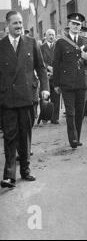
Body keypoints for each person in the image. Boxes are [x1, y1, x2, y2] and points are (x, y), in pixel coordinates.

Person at [0, 11, 49, 188]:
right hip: (7, 99)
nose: (19, 26)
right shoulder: (1, 46)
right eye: (15, 24)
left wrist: (45, 88)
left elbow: (41, 68)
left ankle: (25, 170)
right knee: (10, 136)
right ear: (7, 26)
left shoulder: (31, 43)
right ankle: (9, 175)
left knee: (25, 135)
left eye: (21, 23)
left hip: (27, 97)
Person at [53, 13, 87, 149]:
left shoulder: (85, 42)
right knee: (70, 112)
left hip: (81, 83)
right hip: (67, 83)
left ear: (81, 27)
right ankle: (73, 139)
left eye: (78, 25)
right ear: (68, 25)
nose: (76, 26)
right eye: (74, 24)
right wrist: (56, 84)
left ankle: (77, 137)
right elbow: (56, 63)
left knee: (79, 112)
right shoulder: (61, 42)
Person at [40, 29, 60, 124]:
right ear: (46, 36)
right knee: (45, 97)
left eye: (53, 35)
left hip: (56, 75)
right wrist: (48, 67)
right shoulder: (41, 47)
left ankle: (55, 118)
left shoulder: (58, 46)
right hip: (46, 75)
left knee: (56, 97)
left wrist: (55, 69)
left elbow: (61, 59)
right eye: (49, 35)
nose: (51, 37)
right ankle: (45, 116)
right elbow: (40, 60)